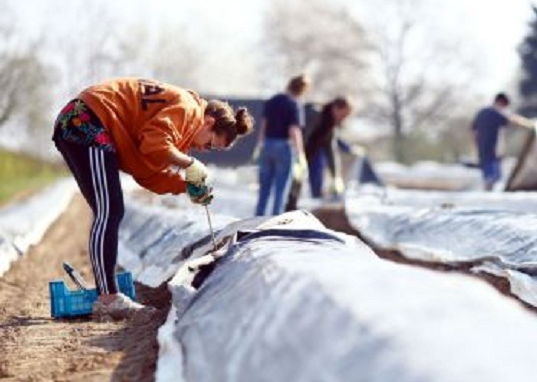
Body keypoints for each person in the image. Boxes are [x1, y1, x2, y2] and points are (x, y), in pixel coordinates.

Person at [51, 77, 254, 319]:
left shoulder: (185, 126)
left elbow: (148, 173)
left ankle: (108, 295)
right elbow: (154, 145)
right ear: (209, 122)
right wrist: (190, 163)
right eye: (209, 144)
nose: (202, 150)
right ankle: (108, 298)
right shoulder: (187, 108)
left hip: (85, 122)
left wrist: (186, 186)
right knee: (110, 211)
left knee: (109, 210)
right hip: (88, 120)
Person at [286, 95, 358, 210]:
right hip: (294, 154)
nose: (344, 118)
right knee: (289, 186)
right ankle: (279, 212)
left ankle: (289, 209)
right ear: (336, 108)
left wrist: (336, 176)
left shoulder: (330, 125)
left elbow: (330, 150)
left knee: (296, 187)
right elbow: (301, 135)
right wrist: (298, 156)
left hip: (305, 157)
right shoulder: (315, 114)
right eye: (344, 114)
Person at [253, 74, 310, 215]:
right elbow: (294, 130)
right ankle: (275, 220)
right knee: (281, 188)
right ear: (302, 90)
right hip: (284, 147)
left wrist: (259, 145)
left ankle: (257, 218)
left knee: (264, 188)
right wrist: (301, 154)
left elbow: (264, 125)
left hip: (267, 144)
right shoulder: (295, 104)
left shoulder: (272, 101)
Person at [471, 93, 533, 191]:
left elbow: (474, 131)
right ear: (501, 102)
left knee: (489, 175)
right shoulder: (495, 113)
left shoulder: (481, 113)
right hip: (492, 150)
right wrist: (529, 124)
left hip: (482, 149)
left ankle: (487, 192)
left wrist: (476, 145)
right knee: (494, 176)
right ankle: (488, 194)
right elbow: (512, 120)